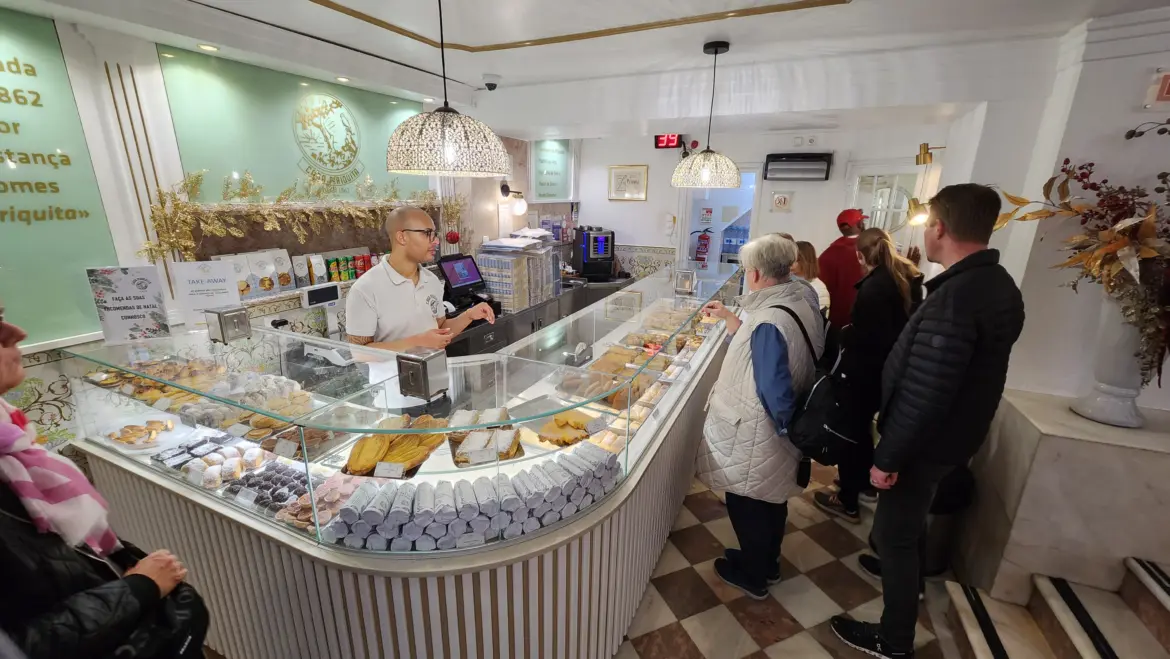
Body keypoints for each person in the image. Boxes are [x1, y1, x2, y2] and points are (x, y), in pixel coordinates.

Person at [830, 184, 1025, 658]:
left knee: (893, 535)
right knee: (909, 525)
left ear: (939, 226)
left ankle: (894, 639)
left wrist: (888, 455)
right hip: (951, 437)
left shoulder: (957, 296)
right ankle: (909, 579)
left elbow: (928, 388)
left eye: (929, 221)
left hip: (923, 444)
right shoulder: (996, 284)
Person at [0, 318, 208, 659]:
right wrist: (140, 588)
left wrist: (124, 569)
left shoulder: (13, 441)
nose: (16, 332)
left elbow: (60, 554)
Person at [694, 234, 825, 600]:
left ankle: (753, 575)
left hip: (760, 430)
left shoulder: (768, 319)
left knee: (747, 501)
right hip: (777, 430)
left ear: (754, 273)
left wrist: (786, 427)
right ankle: (767, 562)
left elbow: (773, 383)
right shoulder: (800, 298)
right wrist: (732, 319)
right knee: (772, 499)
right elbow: (762, 351)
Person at [815, 228, 923, 524]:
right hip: (885, 372)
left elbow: (866, 338)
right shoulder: (904, 278)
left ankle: (847, 500)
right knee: (861, 430)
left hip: (864, 373)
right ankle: (861, 484)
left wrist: (841, 337)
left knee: (851, 433)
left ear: (860, 255)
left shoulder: (875, 288)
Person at [346, 206, 495, 352]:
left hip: (434, 373)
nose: (436, 241)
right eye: (427, 233)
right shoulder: (365, 289)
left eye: (434, 234)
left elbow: (440, 329)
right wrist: (417, 342)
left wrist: (468, 316)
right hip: (393, 377)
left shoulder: (431, 280)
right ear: (402, 237)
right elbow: (360, 353)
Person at [818, 209, 867, 331]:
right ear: (860, 224)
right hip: (865, 316)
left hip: (836, 320)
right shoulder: (871, 249)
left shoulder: (828, 254)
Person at [792, 240, 830, 316]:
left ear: (805, 260)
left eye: (796, 260)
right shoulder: (787, 282)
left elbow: (820, 320)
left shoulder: (818, 288)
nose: (791, 263)